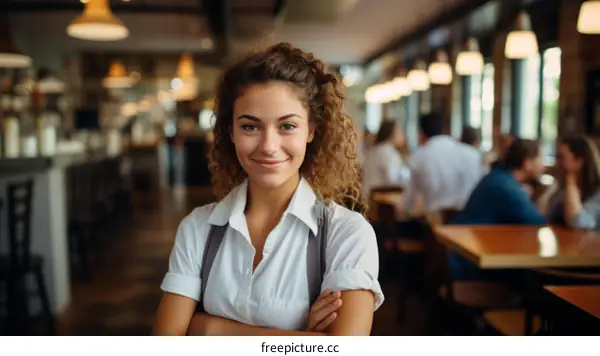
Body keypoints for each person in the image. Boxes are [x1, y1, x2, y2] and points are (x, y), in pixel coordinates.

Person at [153, 42, 384, 336]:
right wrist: (302, 339)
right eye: (250, 127)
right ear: (231, 132)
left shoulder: (347, 233)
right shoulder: (198, 228)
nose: (268, 146)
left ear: (311, 130)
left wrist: (208, 328)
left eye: (287, 126)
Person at [449, 138, 547, 281]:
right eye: (541, 160)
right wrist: (546, 197)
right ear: (527, 163)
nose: (544, 166)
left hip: (461, 258)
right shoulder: (506, 187)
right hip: (470, 267)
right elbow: (538, 222)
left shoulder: (499, 178)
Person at [402, 113, 484, 216]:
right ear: (444, 129)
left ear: (421, 133)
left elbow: (410, 197)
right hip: (469, 218)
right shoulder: (472, 153)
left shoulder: (418, 157)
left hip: (435, 221)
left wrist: (404, 212)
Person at [540, 136, 600, 231]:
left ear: (579, 160)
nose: (557, 163)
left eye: (561, 157)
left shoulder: (597, 191)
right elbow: (543, 215)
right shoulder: (562, 187)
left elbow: (577, 222)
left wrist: (570, 176)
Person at [361, 120, 409, 199]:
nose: (403, 135)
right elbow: (392, 181)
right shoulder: (389, 152)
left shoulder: (374, 150)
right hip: (380, 201)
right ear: (391, 134)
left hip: (367, 197)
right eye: (400, 131)